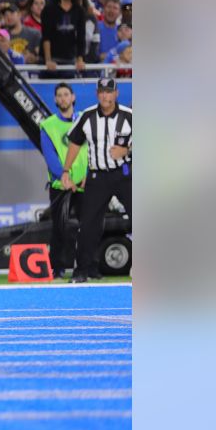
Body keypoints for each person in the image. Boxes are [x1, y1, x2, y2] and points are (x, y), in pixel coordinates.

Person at [61, 78, 132, 283]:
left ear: (116, 94)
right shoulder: (87, 116)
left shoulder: (129, 116)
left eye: (109, 92)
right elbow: (74, 143)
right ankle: (82, 270)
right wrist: (66, 171)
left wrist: (126, 150)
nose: (105, 95)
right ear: (96, 93)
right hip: (97, 176)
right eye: (101, 91)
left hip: (123, 174)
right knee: (88, 224)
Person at [40, 82, 88, 278]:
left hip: (87, 184)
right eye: (59, 95)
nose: (63, 98)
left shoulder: (85, 120)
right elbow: (50, 156)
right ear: (54, 100)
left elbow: (94, 148)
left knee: (89, 228)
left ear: (73, 97)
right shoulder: (48, 125)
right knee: (59, 228)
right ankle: (57, 268)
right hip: (61, 185)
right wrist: (64, 177)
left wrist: (89, 175)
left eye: (66, 94)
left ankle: (87, 267)